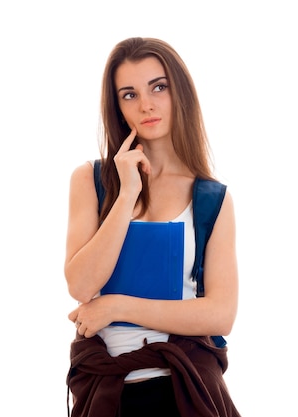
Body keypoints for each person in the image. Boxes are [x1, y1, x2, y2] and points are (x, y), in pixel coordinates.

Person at [64, 37, 241, 417]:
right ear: (118, 108)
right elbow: (80, 285)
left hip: (185, 387)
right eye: (129, 94)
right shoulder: (91, 181)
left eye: (158, 87)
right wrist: (127, 193)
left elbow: (220, 314)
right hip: (106, 388)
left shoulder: (212, 198)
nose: (146, 104)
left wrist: (116, 306)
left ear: (180, 93)